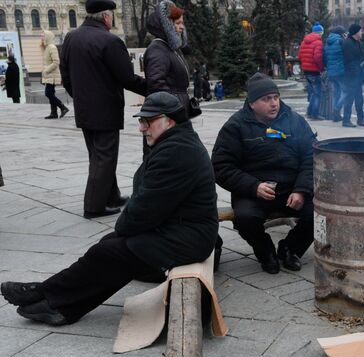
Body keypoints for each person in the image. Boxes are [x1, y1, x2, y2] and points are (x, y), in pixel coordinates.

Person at [0, 92, 218, 326]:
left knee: (111, 252)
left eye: (147, 121)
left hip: (189, 237)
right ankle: (59, 305)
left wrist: (123, 227)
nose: (141, 128)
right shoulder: (175, 142)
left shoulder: (177, 151)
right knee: (109, 247)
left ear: (169, 120)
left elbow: (144, 210)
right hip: (179, 229)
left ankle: (44, 293)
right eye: (140, 121)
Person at [212, 73, 315, 274]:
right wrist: (253, 186)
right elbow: (221, 166)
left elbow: (311, 156)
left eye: (275, 97)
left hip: (291, 189)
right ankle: (265, 252)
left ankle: (290, 249)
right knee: (245, 218)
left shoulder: (294, 120)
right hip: (253, 190)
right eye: (266, 99)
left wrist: (302, 190)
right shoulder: (235, 126)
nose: (273, 103)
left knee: (320, 213)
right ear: (252, 103)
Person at [60, 0, 147, 219]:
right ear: (106, 17)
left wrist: (80, 97)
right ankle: (93, 206)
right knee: (105, 157)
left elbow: (66, 76)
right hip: (106, 109)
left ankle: (112, 196)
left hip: (84, 109)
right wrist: (153, 87)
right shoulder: (110, 41)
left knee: (98, 155)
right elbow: (127, 78)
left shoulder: (71, 37)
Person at [144, 1, 190, 115]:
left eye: (182, 23)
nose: (182, 27)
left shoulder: (170, 48)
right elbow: (156, 85)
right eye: (178, 23)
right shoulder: (158, 50)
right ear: (167, 25)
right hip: (168, 114)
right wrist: (174, 105)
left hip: (175, 109)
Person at [342, 23, 364, 128]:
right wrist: (357, 71)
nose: (362, 33)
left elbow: (360, 58)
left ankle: (360, 119)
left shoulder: (357, 43)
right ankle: (346, 120)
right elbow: (349, 61)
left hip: (358, 76)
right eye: (360, 31)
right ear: (356, 32)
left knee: (359, 99)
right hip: (351, 77)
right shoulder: (347, 43)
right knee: (349, 99)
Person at [299, 22, 325, 120]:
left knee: (314, 92)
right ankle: (315, 114)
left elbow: (300, 56)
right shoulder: (318, 42)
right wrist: (321, 68)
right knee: (318, 93)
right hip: (314, 71)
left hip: (306, 70)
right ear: (320, 33)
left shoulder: (304, 41)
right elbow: (317, 57)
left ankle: (310, 112)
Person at [41, 30, 69, 119]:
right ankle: (54, 113)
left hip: (51, 74)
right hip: (49, 75)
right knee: (51, 93)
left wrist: (46, 71)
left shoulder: (52, 47)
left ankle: (62, 107)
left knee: (48, 93)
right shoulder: (47, 47)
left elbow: (56, 62)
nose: (41, 38)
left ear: (47, 37)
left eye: (43, 36)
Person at [323, 25, 346, 122]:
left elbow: (324, 58)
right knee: (346, 92)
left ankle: (336, 116)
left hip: (331, 72)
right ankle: (336, 109)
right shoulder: (341, 41)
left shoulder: (327, 42)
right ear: (340, 33)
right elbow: (345, 55)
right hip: (340, 71)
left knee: (336, 93)